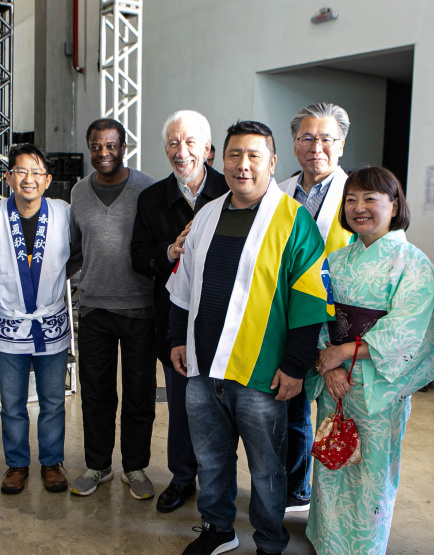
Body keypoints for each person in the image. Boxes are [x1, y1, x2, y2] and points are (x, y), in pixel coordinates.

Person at [167, 120, 333, 555]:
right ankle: (218, 528)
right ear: (221, 160)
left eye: (254, 155)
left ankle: (270, 539)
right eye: (235, 155)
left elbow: (310, 301)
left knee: (267, 468)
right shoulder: (206, 214)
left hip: (261, 370)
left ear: (273, 162)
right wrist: (176, 339)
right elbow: (183, 284)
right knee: (211, 459)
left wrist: (295, 365)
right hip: (204, 366)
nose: (243, 165)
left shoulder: (294, 220)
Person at [308, 167, 434, 554]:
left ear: (394, 204)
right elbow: (320, 315)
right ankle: (326, 540)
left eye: (370, 199)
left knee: (371, 470)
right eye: (351, 199)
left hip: (379, 385)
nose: (359, 207)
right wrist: (328, 363)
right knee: (332, 459)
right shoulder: (336, 259)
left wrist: (344, 353)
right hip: (335, 383)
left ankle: (364, 547)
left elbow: (412, 325)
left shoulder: (411, 261)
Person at [130, 110, 228, 513]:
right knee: (183, 407)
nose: (181, 151)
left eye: (190, 143)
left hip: (228, 322)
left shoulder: (232, 191)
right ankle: (182, 477)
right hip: (174, 324)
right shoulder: (152, 198)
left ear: (207, 150)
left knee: (230, 409)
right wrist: (170, 252)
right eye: (173, 143)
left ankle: (221, 484)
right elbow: (138, 257)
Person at [68, 118, 158, 499]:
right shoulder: (77, 193)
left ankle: (134, 467)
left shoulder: (147, 188)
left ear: (124, 147)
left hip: (140, 308)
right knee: (96, 393)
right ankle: (99, 465)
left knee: (139, 393)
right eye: (96, 146)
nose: (103, 153)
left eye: (111, 145)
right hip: (93, 308)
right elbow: (74, 249)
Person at [0, 144, 72, 495]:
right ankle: (16, 464)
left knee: (52, 401)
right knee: (12, 403)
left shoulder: (63, 213)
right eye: (20, 171)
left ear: (47, 180)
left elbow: (75, 254)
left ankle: (51, 462)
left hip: (50, 323)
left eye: (36, 172)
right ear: (8, 178)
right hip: (7, 326)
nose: (28, 179)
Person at [277, 102, 356, 512]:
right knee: (289, 406)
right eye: (307, 138)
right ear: (294, 144)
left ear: (341, 145)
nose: (316, 147)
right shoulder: (280, 192)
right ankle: (295, 487)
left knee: (333, 414)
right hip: (287, 320)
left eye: (326, 138)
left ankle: (331, 505)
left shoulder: (356, 195)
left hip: (336, 329)